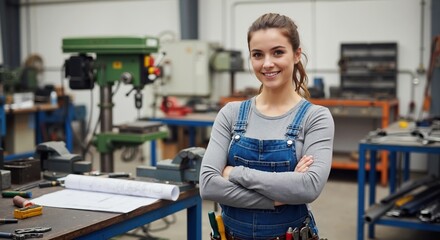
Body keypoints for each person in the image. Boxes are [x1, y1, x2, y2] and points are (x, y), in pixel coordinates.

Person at [199, 12, 334, 240]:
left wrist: (235, 173)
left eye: (278, 52)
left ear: (296, 54)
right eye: (258, 55)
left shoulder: (316, 118)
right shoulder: (230, 114)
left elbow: (309, 187)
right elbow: (209, 185)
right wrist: (278, 197)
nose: (267, 63)